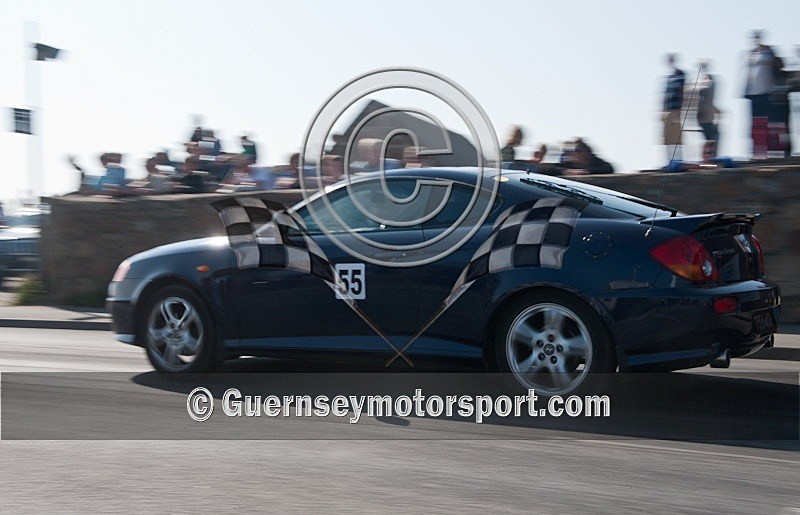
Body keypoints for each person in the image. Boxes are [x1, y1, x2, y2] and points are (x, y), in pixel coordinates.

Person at [744, 30, 776, 159]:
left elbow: (777, 65)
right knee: (754, 125)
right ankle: (756, 151)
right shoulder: (751, 54)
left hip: (766, 93)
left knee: (765, 124)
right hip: (753, 94)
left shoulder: (769, 52)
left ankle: (766, 150)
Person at [662, 53, 685, 165]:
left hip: (676, 109)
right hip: (667, 110)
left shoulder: (680, 74)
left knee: (677, 136)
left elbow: (682, 91)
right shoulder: (669, 77)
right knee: (667, 137)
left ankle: (678, 160)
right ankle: (669, 161)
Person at [696, 60, 720, 155]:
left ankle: (711, 155)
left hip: (707, 116)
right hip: (703, 116)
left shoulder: (708, 81)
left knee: (711, 138)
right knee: (709, 138)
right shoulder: (703, 82)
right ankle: (710, 156)